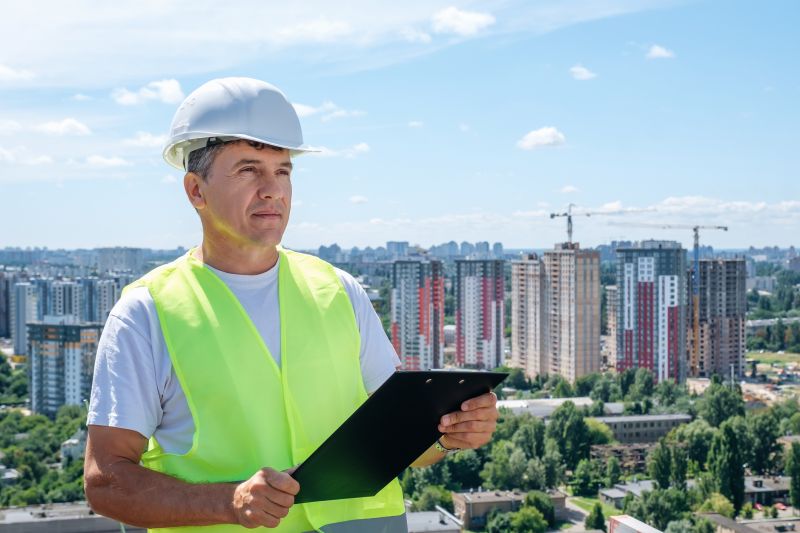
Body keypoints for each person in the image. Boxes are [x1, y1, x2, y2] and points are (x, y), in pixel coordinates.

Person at [83, 77, 499, 532]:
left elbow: (405, 446)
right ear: (195, 190)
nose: (273, 190)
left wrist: (451, 435)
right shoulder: (147, 312)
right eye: (248, 169)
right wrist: (228, 502)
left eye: (282, 170)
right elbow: (105, 482)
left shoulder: (339, 290)